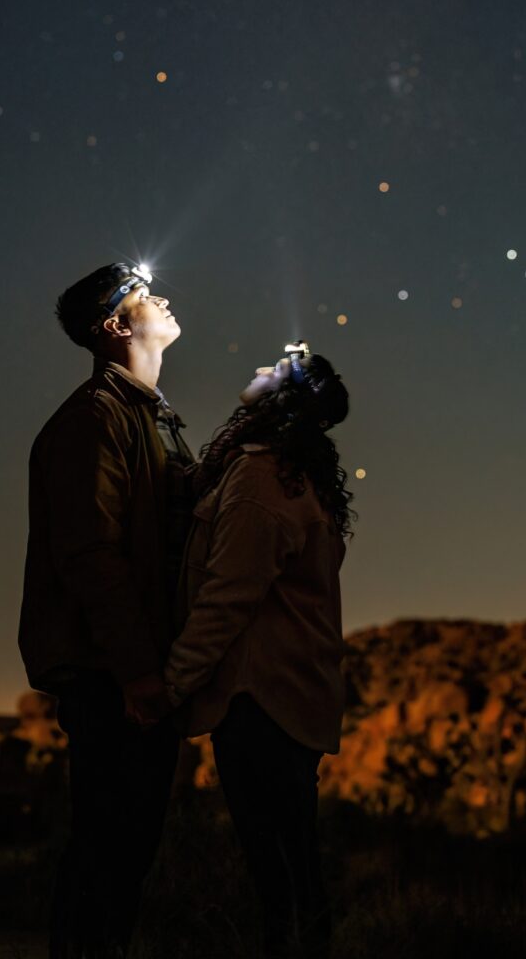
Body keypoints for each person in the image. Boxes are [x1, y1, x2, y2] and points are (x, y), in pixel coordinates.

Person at [18, 260, 196, 959]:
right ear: (117, 327)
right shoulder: (92, 422)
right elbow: (91, 556)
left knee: (126, 859)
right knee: (106, 856)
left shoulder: (149, 419)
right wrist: (137, 672)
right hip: (112, 677)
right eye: (146, 296)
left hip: (137, 670)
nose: (164, 299)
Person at [164, 347, 353, 959]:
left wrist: (170, 685)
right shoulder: (296, 476)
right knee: (296, 863)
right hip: (292, 693)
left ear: (282, 400)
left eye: (274, 369)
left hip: (259, 697)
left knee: (277, 873)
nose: (258, 369)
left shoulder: (261, 478)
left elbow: (225, 599)